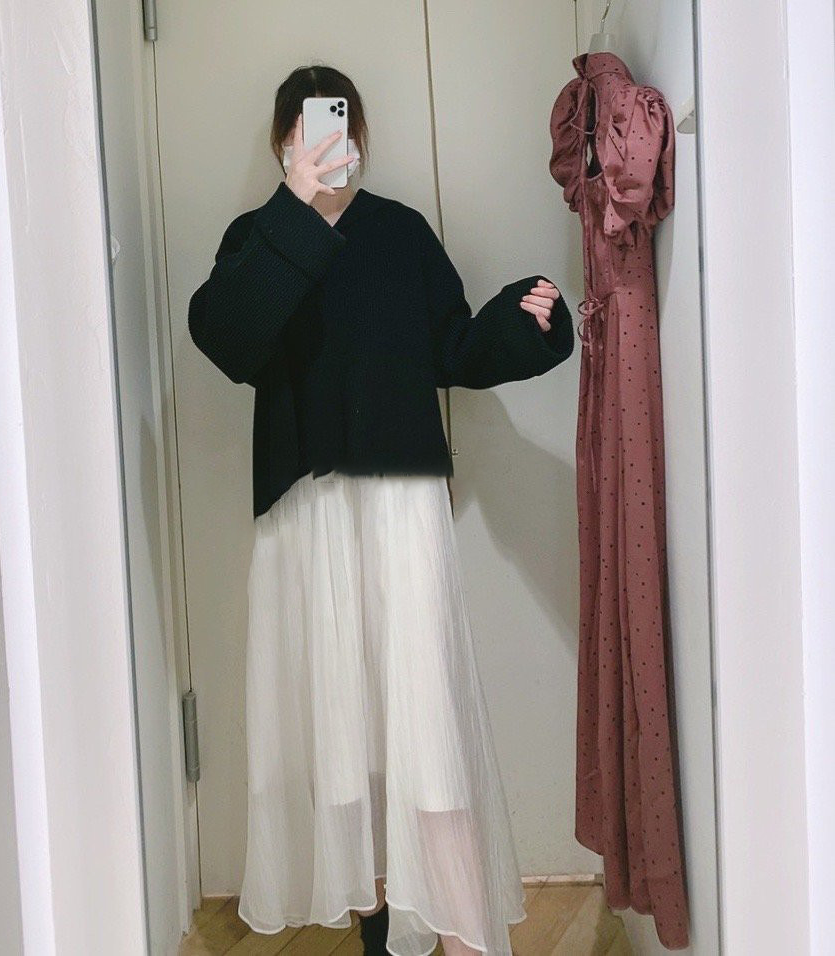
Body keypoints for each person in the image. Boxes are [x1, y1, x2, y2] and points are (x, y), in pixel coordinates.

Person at [188, 65, 574, 956]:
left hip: (402, 508)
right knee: (340, 734)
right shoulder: (257, 236)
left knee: (427, 730)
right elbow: (227, 338)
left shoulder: (399, 232)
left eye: (341, 123)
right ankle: (379, 929)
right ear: (284, 139)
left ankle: (462, 936)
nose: (328, 138)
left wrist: (523, 323)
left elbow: (454, 349)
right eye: (308, 126)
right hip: (307, 513)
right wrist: (296, 208)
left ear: (358, 133)